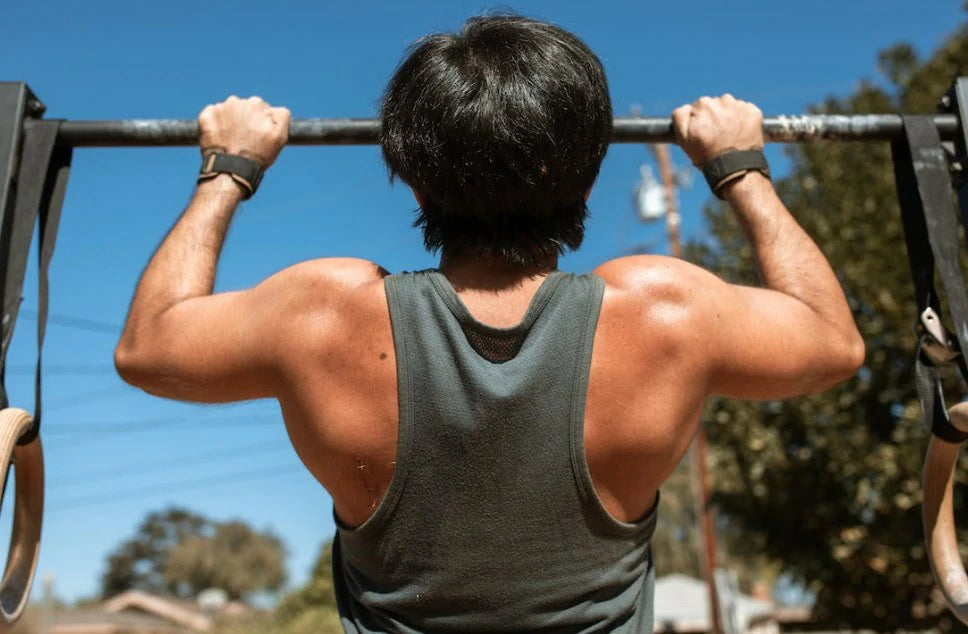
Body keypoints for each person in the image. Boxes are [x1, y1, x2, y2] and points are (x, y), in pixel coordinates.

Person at [115, 14, 864, 634]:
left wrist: (229, 168)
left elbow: (149, 346)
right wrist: (740, 166)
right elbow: (832, 341)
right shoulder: (663, 311)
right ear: (591, 169)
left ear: (407, 168)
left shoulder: (322, 313)